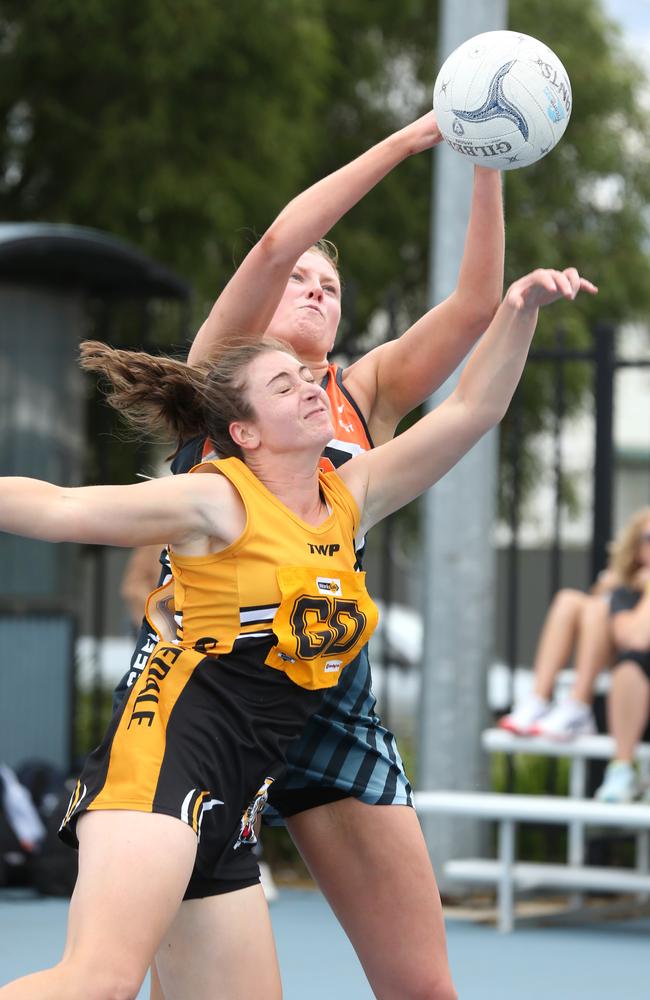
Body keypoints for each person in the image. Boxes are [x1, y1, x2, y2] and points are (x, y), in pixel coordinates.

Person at [0, 266, 595, 999]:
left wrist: (518, 307)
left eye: (307, 380)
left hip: (236, 799)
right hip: (161, 767)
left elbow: (473, 406)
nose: (312, 389)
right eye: (283, 386)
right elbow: (57, 508)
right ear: (243, 431)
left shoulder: (349, 497)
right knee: (98, 982)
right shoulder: (215, 500)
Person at [113, 110, 508, 1000]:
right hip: (208, 690)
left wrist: (489, 155)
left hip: (330, 693)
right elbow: (271, 242)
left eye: (330, 284)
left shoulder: (362, 393)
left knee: (424, 987)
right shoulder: (217, 383)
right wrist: (410, 143)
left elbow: (476, 307)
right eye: (301, 280)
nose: (315, 288)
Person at [499, 508, 650, 742]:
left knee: (599, 607)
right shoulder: (627, 588)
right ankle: (540, 699)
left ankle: (578, 705)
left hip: (636, 690)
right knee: (569, 600)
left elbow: (635, 639)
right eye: (648, 538)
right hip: (619, 686)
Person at [594, 507, 650, 802]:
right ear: (637, 548)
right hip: (634, 707)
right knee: (629, 667)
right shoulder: (626, 593)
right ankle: (622, 769)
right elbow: (635, 639)